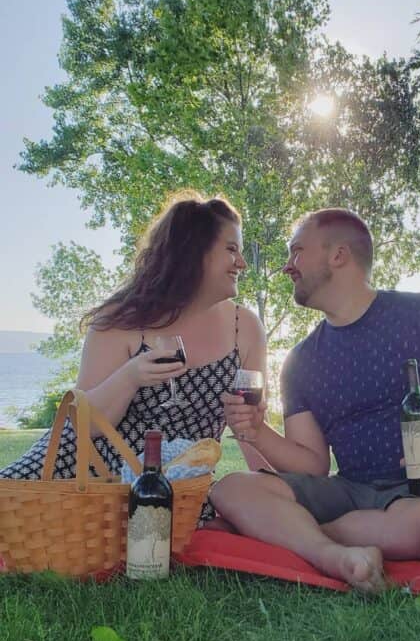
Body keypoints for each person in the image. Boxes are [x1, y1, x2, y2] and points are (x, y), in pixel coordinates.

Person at [211, 207, 420, 593]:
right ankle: (336, 555)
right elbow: (312, 464)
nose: (288, 266)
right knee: (231, 489)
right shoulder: (301, 360)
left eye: (297, 251)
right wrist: (255, 431)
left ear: (338, 255)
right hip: (354, 492)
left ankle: (291, 532)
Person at [0, 193, 267, 486]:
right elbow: (84, 425)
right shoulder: (123, 317)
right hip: (86, 476)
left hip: (176, 486)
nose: (241, 263)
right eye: (232, 249)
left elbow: (249, 427)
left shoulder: (246, 327)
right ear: (193, 251)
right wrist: (130, 377)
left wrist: (273, 484)